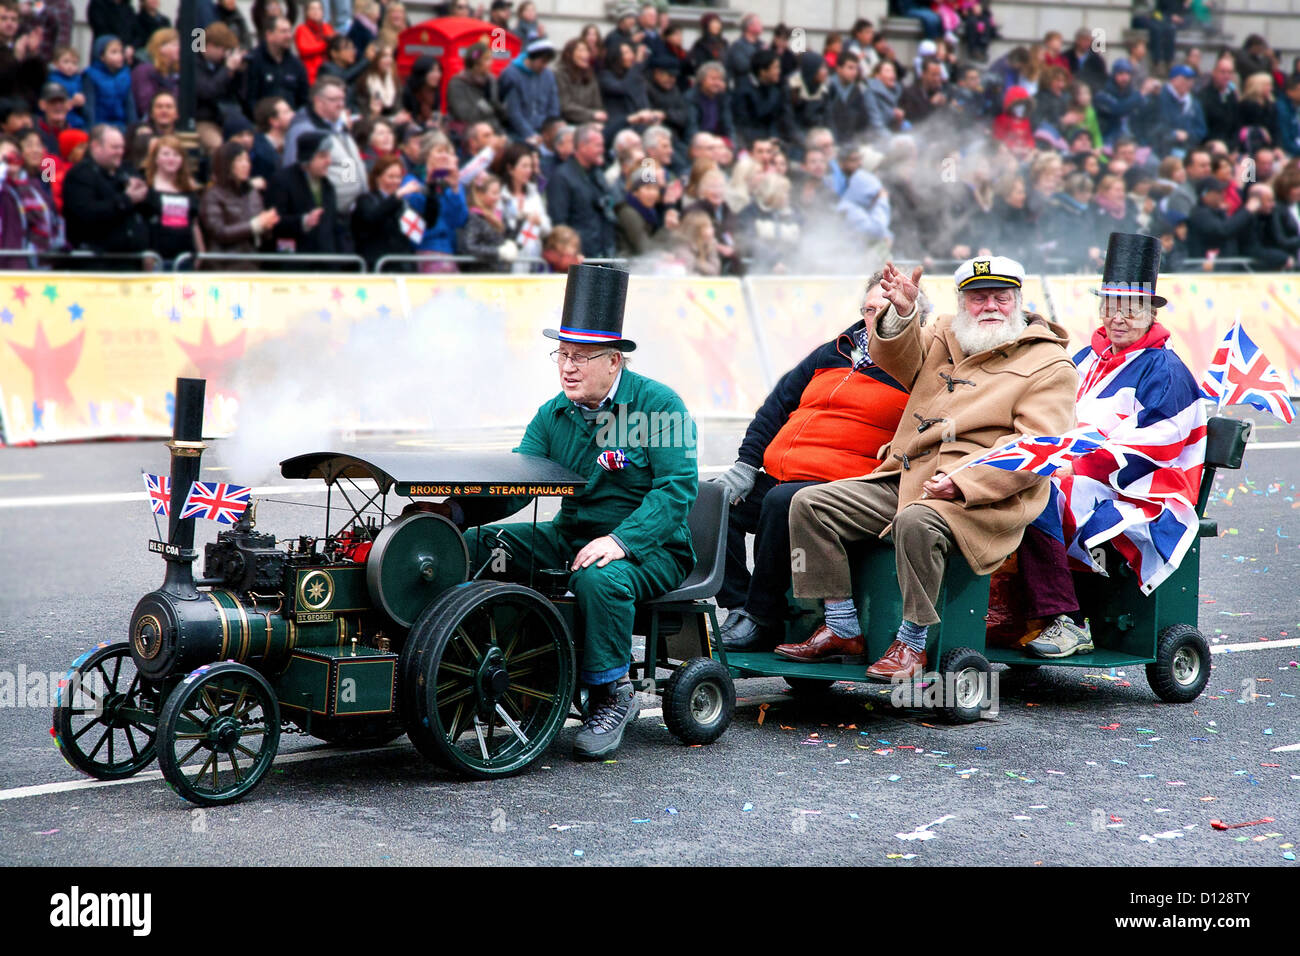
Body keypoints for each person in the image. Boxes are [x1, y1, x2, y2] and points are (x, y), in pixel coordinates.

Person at [778, 257, 1078, 679]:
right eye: (977, 298)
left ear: (1018, 301)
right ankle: (842, 627)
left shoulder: (1049, 363)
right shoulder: (943, 332)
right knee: (809, 504)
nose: (990, 306)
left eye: (1000, 297)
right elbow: (897, 362)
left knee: (917, 521)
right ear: (962, 302)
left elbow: (1038, 447)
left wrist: (962, 482)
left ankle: (912, 644)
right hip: (909, 477)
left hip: (984, 497)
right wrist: (902, 313)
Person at [446, 264, 697, 759]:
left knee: (599, 577)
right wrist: (452, 512)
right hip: (570, 535)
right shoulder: (552, 413)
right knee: (473, 546)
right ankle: (474, 666)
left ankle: (613, 692)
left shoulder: (661, 406)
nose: (568, 367)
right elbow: (518, 486)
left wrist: (620, 542)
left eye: (581, 357)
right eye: (562, 354)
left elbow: (676, 492)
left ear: (613, 361)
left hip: (654, 547)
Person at [1011, 233, 1208, 657]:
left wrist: (1075, 465)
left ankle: (1061, 618)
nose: (1118, 318)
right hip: (1081, 470)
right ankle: (1014, 609)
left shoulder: (1165, 369)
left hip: (1142, 486)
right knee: (1010, 476)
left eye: (1131, 309)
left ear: (1150, 312)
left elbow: (1158, 446)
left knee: (1038, 490)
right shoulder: (1085, 356)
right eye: (1110, 307)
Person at [716, 270, 912, 650]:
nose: (875, 319)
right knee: (708, 502)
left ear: (906, 316)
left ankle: (763, 616)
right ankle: (738, 607)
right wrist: (745, 465)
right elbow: (774, 407)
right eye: (869, 309)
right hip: (780, 474)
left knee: (781, 502)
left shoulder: (916, 367)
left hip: (841, 486)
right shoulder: (833, 351)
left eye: (886, 311)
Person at [61, 124, 150, 259]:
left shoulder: (125, 171)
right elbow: (86, 214)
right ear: (96, 146)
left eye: (122, 147)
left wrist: (141, 192)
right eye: (115, 147)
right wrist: (127, 199)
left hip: (131, 259)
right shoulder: (78, 173)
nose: (120, 152)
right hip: (97, 261)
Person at [285, 75, 365, 213]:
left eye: (342, 99)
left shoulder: (337, 125)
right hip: (322, 213)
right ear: (318, 101)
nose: (341, 104)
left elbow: (346, 162)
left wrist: (353, 189)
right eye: (334, 100)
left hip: (347, 212)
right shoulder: (304, 129)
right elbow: (294, 169)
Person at [199, 140, 278, 264]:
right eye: (239, 160)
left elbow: (262, 234)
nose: (245, 165)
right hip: (223, 265)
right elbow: (219, 232)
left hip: (252, 261)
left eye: (247, 160)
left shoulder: (252, 193)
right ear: (226, 164)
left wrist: (267, 224)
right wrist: (255, 225)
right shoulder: (212, 195)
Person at [546, 122, 615, 259]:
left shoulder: (598, 174)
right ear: (583, 146)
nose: (602, 150)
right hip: (579, 258)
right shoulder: (561, 177)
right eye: (598, 145)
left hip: (604, 253)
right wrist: (571, 253)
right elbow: (559, 222)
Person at [350, 153, 422, 270]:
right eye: (391, 177)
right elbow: (372, 217)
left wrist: (431, 193)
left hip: (401, 268)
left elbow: (421, 227)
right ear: (378, 178)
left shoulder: (402, 203)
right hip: (376, 268)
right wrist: (397, 196)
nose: (396, 181)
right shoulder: (365, 200)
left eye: (398, 177)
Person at [140, 133, 201, 266]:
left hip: (186, 257)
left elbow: (194, 223)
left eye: (176, 155)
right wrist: (147, 256)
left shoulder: (188, 189)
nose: (171, 159)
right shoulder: (147, 188)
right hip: (158, 258)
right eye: (166, 154)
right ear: (156, 158)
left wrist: (201, 253)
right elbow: (143, 224)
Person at [497, 142, 550, 272]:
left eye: (530, 166)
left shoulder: (534, 195)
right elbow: (500, 227)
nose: (529, 171)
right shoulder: (500, 195)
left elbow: (547, 228)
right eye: (524, 166)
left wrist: (539, 222)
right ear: (510, 168)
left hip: (532, 258)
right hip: (508, 259)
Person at [500, 38, 560, 144]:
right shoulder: (512, 75)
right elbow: (514, 112)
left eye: (547, 62)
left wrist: (550, 130)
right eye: (542, 61)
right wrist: (530, 134)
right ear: (532, 57)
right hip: (518, 132)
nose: (545, 66)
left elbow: (553, 107)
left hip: (544, 130)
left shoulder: (548, 75)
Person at [244, 16, 309, 112]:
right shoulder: (254, 61)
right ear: (269, 35)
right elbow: (250, 99)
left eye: (289, 31)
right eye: (283, 31)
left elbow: (304, 99)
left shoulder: (296, 64)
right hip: (263, 121)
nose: (289, 36)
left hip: (292, 121)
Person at [457, 170, 517, 270]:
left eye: (499, 193)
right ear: (480, 194)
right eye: (494, 193)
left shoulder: (500, 215)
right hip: (481, 275)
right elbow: (469, 246)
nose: (498, 198)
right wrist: (498, 252)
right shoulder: (475, 217)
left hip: (499, 273)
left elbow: (508, 236)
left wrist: (511, 242)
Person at [84, 35, 137, 131]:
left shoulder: (125, 76)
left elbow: (130, 106)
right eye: (114, 52)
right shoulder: (91, 75)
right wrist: (91, 130)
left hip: (121, 126)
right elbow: (89, 107)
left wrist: (133, 130)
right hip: (99, 125)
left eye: (121, 52)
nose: (120, 56)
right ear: (102, 56)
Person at [130, 26, 178, 117]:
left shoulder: (175, 72)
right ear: (161, 47)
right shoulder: (144, 70)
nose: (180, 49)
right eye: (175, 45)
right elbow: (146, 106)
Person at [684, 61, 734, 144]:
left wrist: (732, 144)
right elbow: (691, 128)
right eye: (713, 79)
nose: (717, 83)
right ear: (702, 80)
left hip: (717, 140)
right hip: (698, 141)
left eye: (720, 79)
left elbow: (728, 126)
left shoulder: (722, 97)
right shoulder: (691, 98)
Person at [294, 0, 334, 84]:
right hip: (311, 73)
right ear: (307, 12)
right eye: (312, 9)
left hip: (329, 71)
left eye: (319, 9)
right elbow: (304, 50)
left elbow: (334, 44)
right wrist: (325, 45)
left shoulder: (327, 27)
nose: (316, 11)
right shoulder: (301, 29)